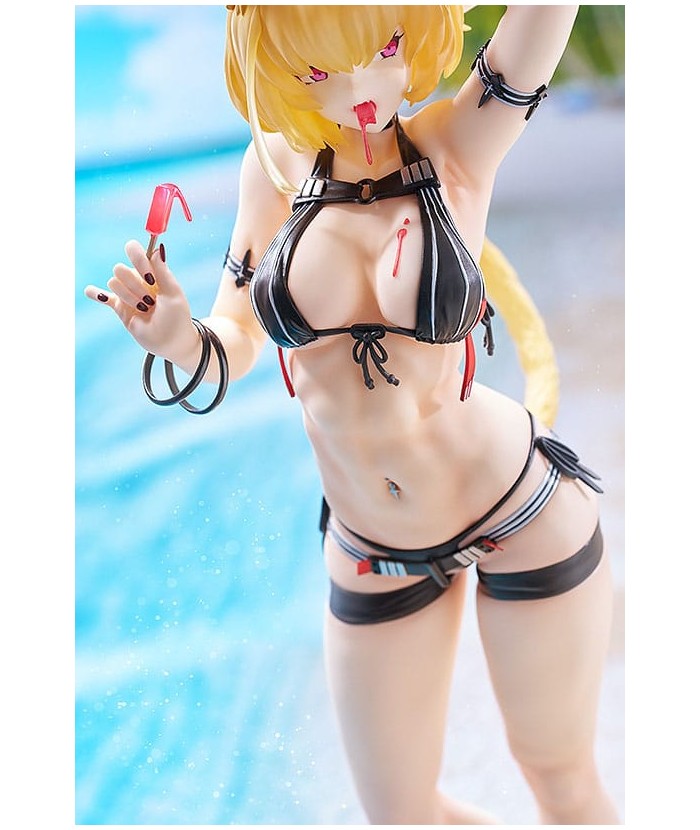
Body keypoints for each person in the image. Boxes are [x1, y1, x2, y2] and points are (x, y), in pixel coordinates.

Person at [84, 5, 619, 824]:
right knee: (400, 814)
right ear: (278, 70)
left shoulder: (458, 143)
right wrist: (179, 340)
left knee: (562, 782)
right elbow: (234, 337)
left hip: (516, 508)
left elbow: (542, 20)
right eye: (319, 69)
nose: (363, 86)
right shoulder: (271, 168)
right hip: (372, 546)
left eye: (386, 48)